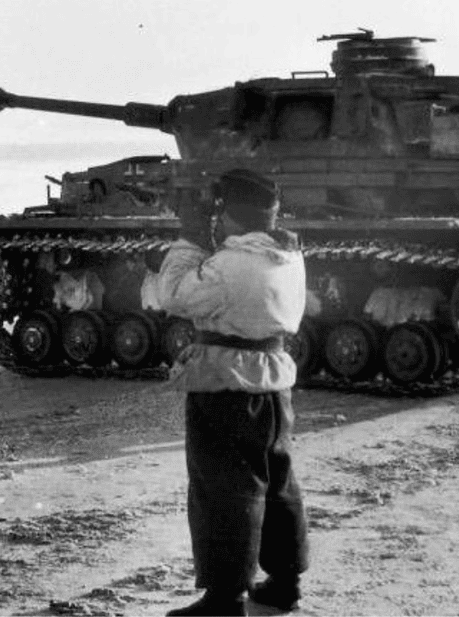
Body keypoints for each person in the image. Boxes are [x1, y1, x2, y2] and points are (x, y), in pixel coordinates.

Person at [158, 169, 309, 617]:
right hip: (274, 384)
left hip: (228, 385)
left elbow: (173, 295)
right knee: (277, 485)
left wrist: (188, 240)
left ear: (232, 215)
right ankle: (285, 583)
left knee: (223, 490)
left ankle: (224, 600)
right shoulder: (289, 253)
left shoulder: (227, 265)